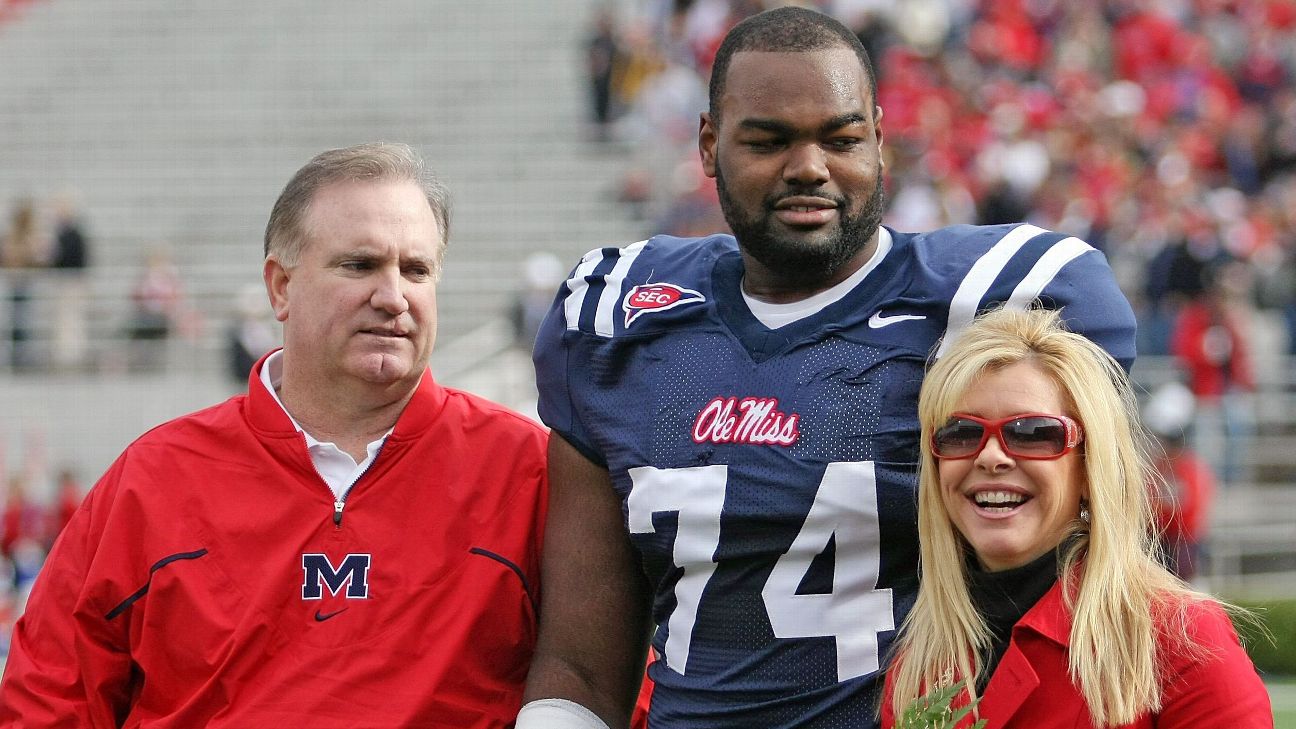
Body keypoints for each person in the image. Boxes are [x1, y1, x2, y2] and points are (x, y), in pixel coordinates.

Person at [519, 7, 1137, 729]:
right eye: (769, 140)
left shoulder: (985, 299)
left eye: (841, 138)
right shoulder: (621, 316)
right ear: (710, 145)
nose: (809, 167)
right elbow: (583, 659)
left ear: (879, 140)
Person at [0, 143, 550, 728]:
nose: (393, 297)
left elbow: (616, 687)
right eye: (359, 265)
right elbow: (50, 697)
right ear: (280, 287)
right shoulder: (155, 477)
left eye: (416, 270)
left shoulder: (531, 470)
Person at [882, 307, 1270, 728]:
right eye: (960, 433)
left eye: (1031, 433)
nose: (990, 456)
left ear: (1090, 467)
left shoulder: (1184, 643)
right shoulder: (917, 665)